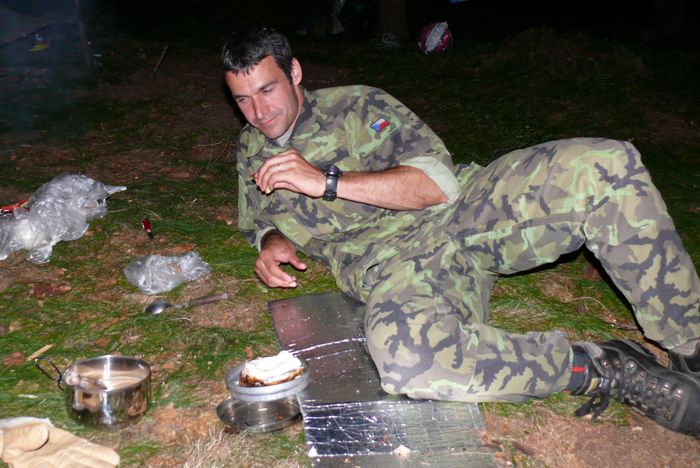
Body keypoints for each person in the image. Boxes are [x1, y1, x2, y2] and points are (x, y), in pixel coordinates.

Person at [221, 27, 700, 436]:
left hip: (466, 212)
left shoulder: (357, 105)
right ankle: (599, 367)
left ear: (295, 72)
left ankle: (691, 345)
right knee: (410, 361)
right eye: (242, 99)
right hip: (394, 265)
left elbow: (437, 185)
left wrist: (326, 181)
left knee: (605, 165)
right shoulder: (250, 149)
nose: (259, 112)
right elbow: (258, 220)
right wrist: (270, 241)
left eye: (267, 90)